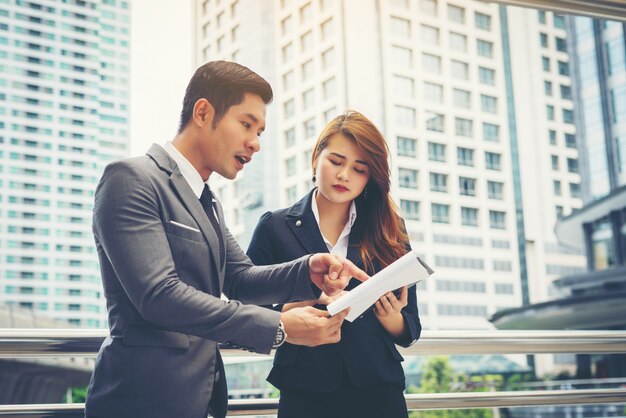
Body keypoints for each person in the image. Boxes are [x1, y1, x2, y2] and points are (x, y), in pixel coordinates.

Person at [84, 61, 368, 418]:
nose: (255, 143)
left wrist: (306, 270)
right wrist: (277, 327)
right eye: (246, 124)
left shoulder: (207, 200)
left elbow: (238, 278)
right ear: (203, 112)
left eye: (260, 131)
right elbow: (158, 296)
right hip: (140, 400)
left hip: (201, 399)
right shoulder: (132, 179)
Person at [247, 110, 422, 418]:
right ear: (316, 158)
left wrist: (391, 316)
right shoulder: (274, 227)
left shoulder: (388, 229)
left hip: (378, 391)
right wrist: (303, 306)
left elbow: (409, 329)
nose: (344, 175)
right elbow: (245, 311)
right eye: (336, 161)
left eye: (359, 169)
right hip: (305, 390)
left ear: (370, 178)